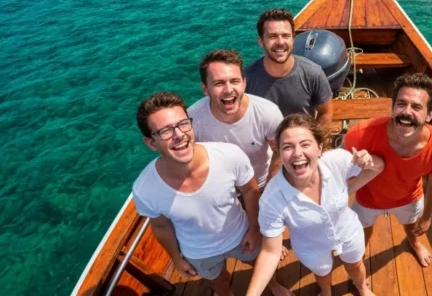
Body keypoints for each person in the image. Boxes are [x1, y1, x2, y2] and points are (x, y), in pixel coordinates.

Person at [131, 92, 288, 296]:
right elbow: (160, 226)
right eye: (166, 131)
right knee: (219, 281)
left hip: (240, 232)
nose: (179, 135)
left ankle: (273, 285)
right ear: (151, 143)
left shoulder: (228, 156)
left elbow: (250, 191)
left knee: (259, 262)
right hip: (199, 251)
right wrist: (177, 259)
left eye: (183, 124)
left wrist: (254, 229)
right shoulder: (145, 188)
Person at [246, 114, 383, 296]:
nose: (297, 153)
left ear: (319, 148)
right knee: (322, 272)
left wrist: (366, 166)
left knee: (355, 264)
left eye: (305, 144)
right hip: (311, 246)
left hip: (348, 232)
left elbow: (379, 167)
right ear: (279, 152)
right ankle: (326, 292)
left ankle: (362, 287)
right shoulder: (272, 198)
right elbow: (270, 253)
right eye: (287, 147)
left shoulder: (337, 160)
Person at [343, 73, 432, 268]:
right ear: (393, 108)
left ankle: (413, 243)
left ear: (429, 114)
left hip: (409, 198)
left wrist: (427, 217)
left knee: (412, 227)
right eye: (401, 104)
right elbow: (339, 175)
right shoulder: (360, 134)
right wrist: (356, 165)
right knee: (363, 230)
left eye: (417, 107)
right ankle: (359, 254)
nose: (407, 112)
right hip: (368, 198)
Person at [188, 49, 283, 189]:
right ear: (205, 89)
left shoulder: (267, 112)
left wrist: (270, 185)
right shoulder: (192, 119)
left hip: (261, 187)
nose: (228, 89)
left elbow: (281, 149)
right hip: (219, 192)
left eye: (234, 81)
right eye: (219, 83)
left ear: (244, 83)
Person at [245, 8, 334, 134]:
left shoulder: (313, 73)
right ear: (261, 41)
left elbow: (325, 113)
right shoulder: (247, 78)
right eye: (272, 36)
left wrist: (316, 142)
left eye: (286, 36)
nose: (280, 42)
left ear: (293, 39)